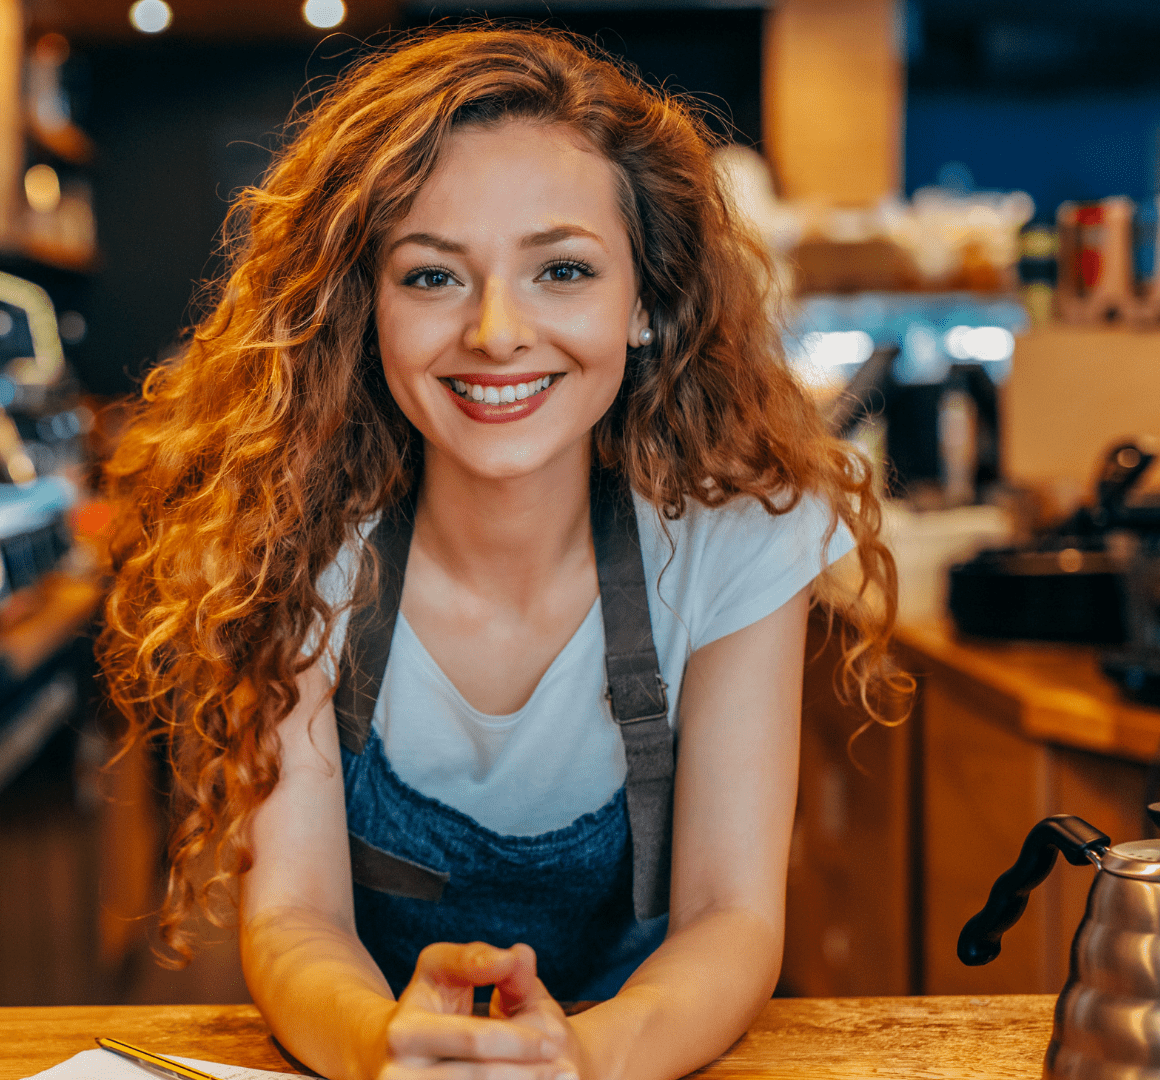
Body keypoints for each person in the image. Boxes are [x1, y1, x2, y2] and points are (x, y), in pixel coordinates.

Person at [98, 27, 903, 1080]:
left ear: (649, 301)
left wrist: (578, 1057)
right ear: (364, 306)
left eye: (561, 270)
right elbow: (294, 914)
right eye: (432, 277)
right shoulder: (289, 537)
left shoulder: (735, 534)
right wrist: (388, 1044)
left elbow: (731, 916)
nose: (494, 332)